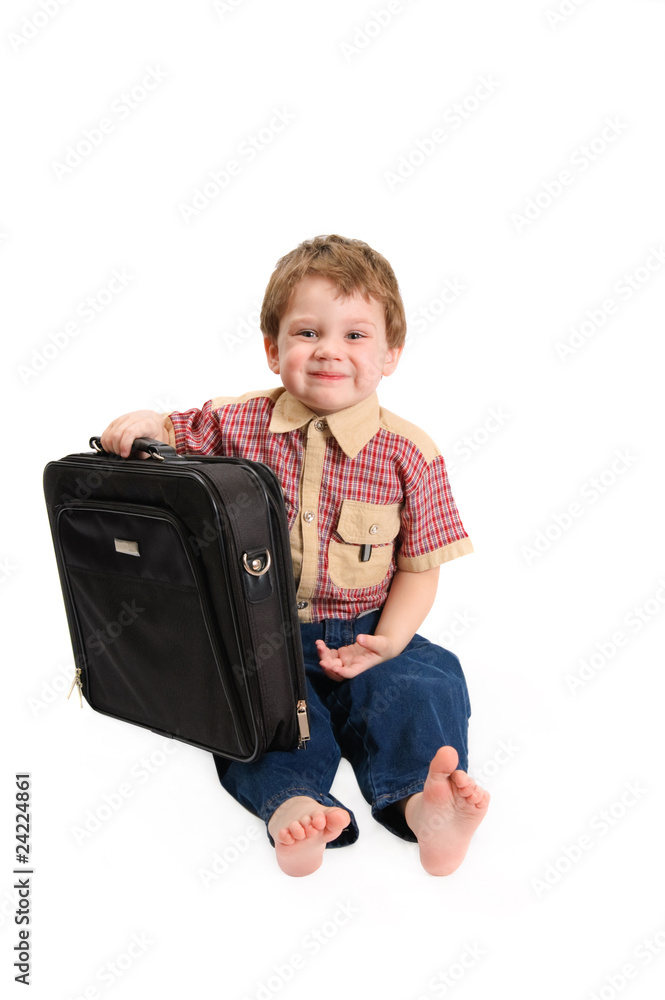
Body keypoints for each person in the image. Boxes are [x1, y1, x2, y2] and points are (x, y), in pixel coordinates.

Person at [100, 234, 490, 877]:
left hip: (367, 630)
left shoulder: (410, 454)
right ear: (272, 348)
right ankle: (294, 805)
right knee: (250, 707)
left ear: (391, 353)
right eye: (308, 332)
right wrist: (147, 420)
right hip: (261, 632)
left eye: (355, 335)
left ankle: (425, 806)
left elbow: (421, 569)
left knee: (426, 681)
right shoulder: (235, 421)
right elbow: (173, 431)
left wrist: (389, 642)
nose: (329, 350)